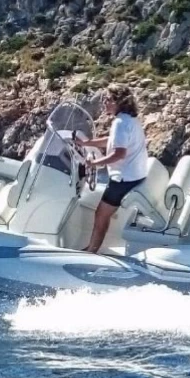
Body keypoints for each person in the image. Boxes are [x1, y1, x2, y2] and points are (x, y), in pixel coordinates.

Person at [76, 84, 148, 253]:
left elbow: (119, 153)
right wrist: (87, 143)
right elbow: (112, 140)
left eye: (108, 99)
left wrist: (95, 163)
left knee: (101, 213)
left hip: (123, 179)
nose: (104, 103)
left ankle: (91, 250)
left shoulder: (120, 123)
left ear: (118, 102)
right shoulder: (129, 120)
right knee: (103, 213)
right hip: (134, 176)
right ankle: (92, 248)